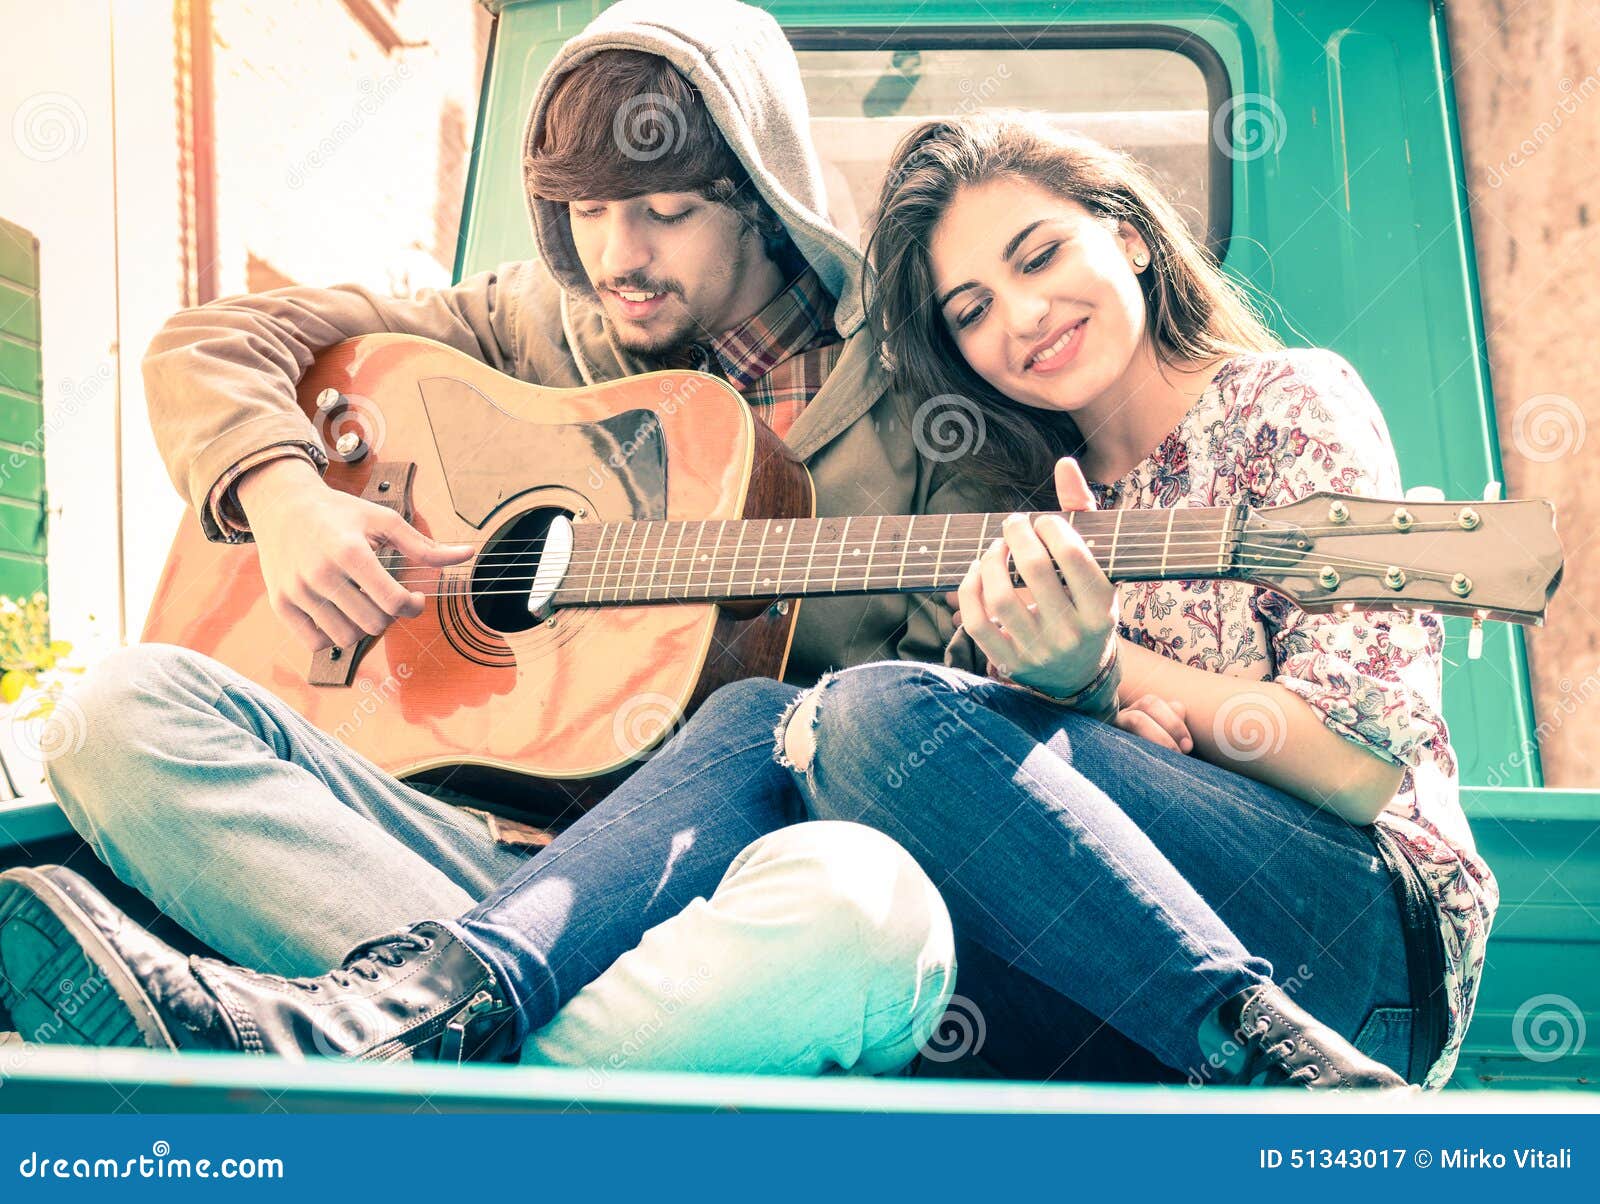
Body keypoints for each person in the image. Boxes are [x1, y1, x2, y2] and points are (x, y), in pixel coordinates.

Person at [0, 0, 976, 1074]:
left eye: (660, 209)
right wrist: (286, 497)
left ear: (761, 194)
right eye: (587, 213)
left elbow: (937, 733)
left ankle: (375, 1027)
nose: (619, 255)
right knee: (115, 712)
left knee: (860, 908)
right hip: (435, 858)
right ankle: (504, 1030)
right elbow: (216, 341)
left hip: (693, 895)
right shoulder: (527, 325)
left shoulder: (919, 404)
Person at [773, 113, 1491, 1089]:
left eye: (1039, 256)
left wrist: (1105, 676)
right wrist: (1103, 728)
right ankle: (506, 986)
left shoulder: (1285, 403)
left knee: (871, 712)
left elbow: (1358, 772)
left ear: (1131, 235)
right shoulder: (1021, 517)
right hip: (1123, 954)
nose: (1020, 318)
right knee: (762, 725)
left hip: (1355, 939)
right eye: (972, 311)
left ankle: (1285, 1071)